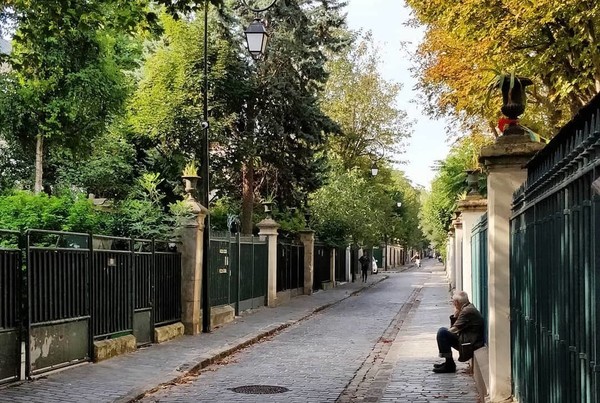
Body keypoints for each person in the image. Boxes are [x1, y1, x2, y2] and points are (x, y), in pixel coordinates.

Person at [432, 290, 484, 373]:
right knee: (443, 331)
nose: (453, 303)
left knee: (442, 333)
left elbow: (454, 329)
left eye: (453, 302)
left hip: (470, 343)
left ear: (456, 302)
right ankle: (448, 363)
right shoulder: (468, 308)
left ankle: (449, 365)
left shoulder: (467, 311)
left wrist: (455, 315)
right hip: (469, 338)